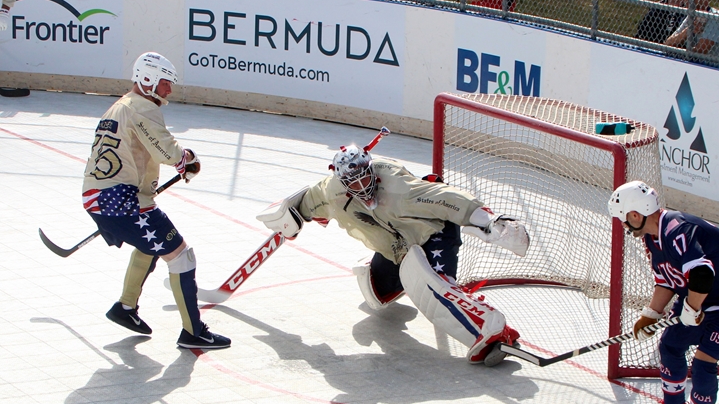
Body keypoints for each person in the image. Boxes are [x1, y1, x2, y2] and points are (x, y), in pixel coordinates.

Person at [256, 131, 530, 366]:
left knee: (435, 287)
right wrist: (288, 217)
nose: (363, 185)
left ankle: (492, 330)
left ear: (371, 169)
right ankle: (401, 276)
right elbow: (307, 202)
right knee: (377, 292)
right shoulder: (332, 192)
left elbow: (446, 199)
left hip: (434, 232)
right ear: (342, 182)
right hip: (396, 246)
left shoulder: (398, 187)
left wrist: (488, 220)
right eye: (354, 182)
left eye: (365, 176)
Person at [82, 52, 230, 350]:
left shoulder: (120, 105)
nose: (168, 90)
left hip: (101, 197)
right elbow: (169, 153)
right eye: (165, 83)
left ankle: (125, 307)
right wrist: (187, 159)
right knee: (181, 256)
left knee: (150, 246)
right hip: (122, 201)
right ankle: (193, 332)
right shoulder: (142, 107)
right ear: (148, 79)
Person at [608, 181, 719, 404]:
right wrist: (651, 314)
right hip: (699, 297)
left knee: (704, 363)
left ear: (635, 215)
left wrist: (691, 308)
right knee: (670, 345)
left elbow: (702, 274)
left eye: (623, 220)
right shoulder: (651, 237)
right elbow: (666, 280)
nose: (623, 226)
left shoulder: (678, 231)